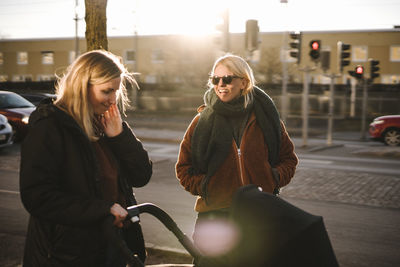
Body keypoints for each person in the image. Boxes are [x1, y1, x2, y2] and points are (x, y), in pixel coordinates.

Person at [19, 50, 152, 266]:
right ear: (82, 87)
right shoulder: (50, 127)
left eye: (116, 92)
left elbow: (142, 175)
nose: (112, 101)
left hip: (111, 247)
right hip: (66, 255)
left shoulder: (105, 124)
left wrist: (120, 137)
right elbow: (38, 196)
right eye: (106, 91)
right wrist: (103, 210)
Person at [175, 54, 298, 259]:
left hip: (258, 214)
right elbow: (183, 169)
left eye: (227, 79)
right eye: (216, 79)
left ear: (244, 82)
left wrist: (273, 178)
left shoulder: (266, 119)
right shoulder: (201, 122)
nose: (220, 84)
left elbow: (288, 159)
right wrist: (206, 186)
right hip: (215, 217)